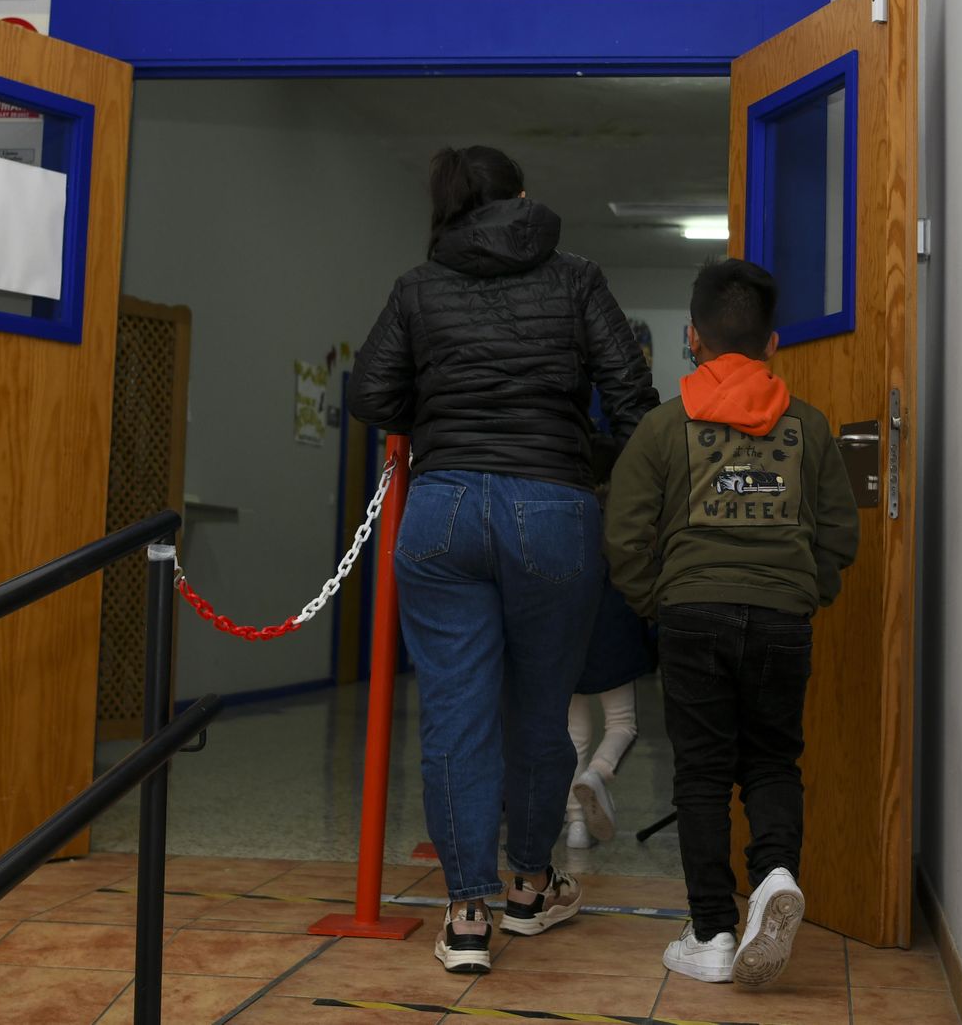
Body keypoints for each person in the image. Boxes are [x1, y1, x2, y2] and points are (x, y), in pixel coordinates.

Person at [349, 145, 657, 974]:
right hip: (552, 508)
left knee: (455, 713)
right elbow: (634, 399)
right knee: (542, 709)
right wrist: (584, 460)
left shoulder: (419, 287)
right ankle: (529, 886)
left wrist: (442, 411)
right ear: (522, 196)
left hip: (442, 508)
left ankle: (465, 915)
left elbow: (369, 394)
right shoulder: (577, 277)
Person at [603, 258, 859, 986]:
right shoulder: (809, 427)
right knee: (773, 760)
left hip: (692, 612)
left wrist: (657, 602)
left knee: (703, 773)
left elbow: (623, 535)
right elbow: (840, 533)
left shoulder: (662, 427)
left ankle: (712, 931)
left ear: (693, 338)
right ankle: (774, 876)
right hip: (781, 616)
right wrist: (805, 590)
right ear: (773, 343)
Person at [563, 432, 651, 850]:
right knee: (622, 724)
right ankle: (598, 772)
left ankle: (577, 827)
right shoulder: (622, 514)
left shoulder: (564, 513)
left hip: (567, 634)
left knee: (573, 734)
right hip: (615, 631)